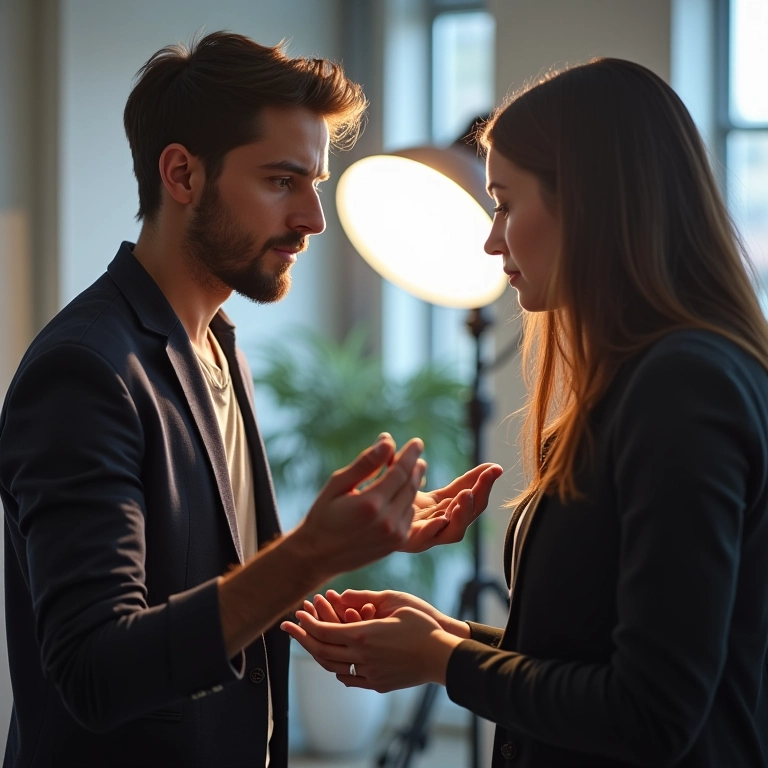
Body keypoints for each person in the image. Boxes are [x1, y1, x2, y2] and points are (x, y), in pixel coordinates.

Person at [0, 32, 504, 768]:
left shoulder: (219, 344)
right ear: (182, 175)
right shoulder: (85, 372)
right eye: (281, 181)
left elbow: (194, 587)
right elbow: (95, 669)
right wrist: (306, 556)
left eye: (316, 184)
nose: (313, 220)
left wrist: (344, 546)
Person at [283, 57, 768, 768]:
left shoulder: (684, 388)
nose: (492, 238)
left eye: (506, 203)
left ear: (590, 202)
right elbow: (597, 654)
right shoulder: (646, 377)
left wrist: (445, 662)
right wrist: (446, 639)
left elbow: (652, 712)